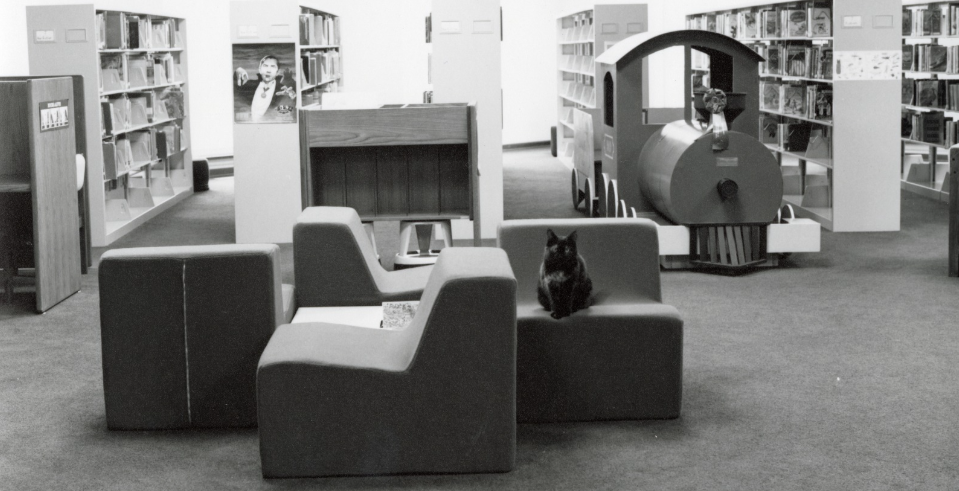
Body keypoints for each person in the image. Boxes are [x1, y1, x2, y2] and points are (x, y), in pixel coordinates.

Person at [234, 54, 296, 122]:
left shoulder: (283, 90)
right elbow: (235, 94)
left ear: (277, 72)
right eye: (265, 66)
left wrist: (293, 98)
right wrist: (237, 71)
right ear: (260, 70)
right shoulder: (249, 85)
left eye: (273, 67)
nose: (268, 70)